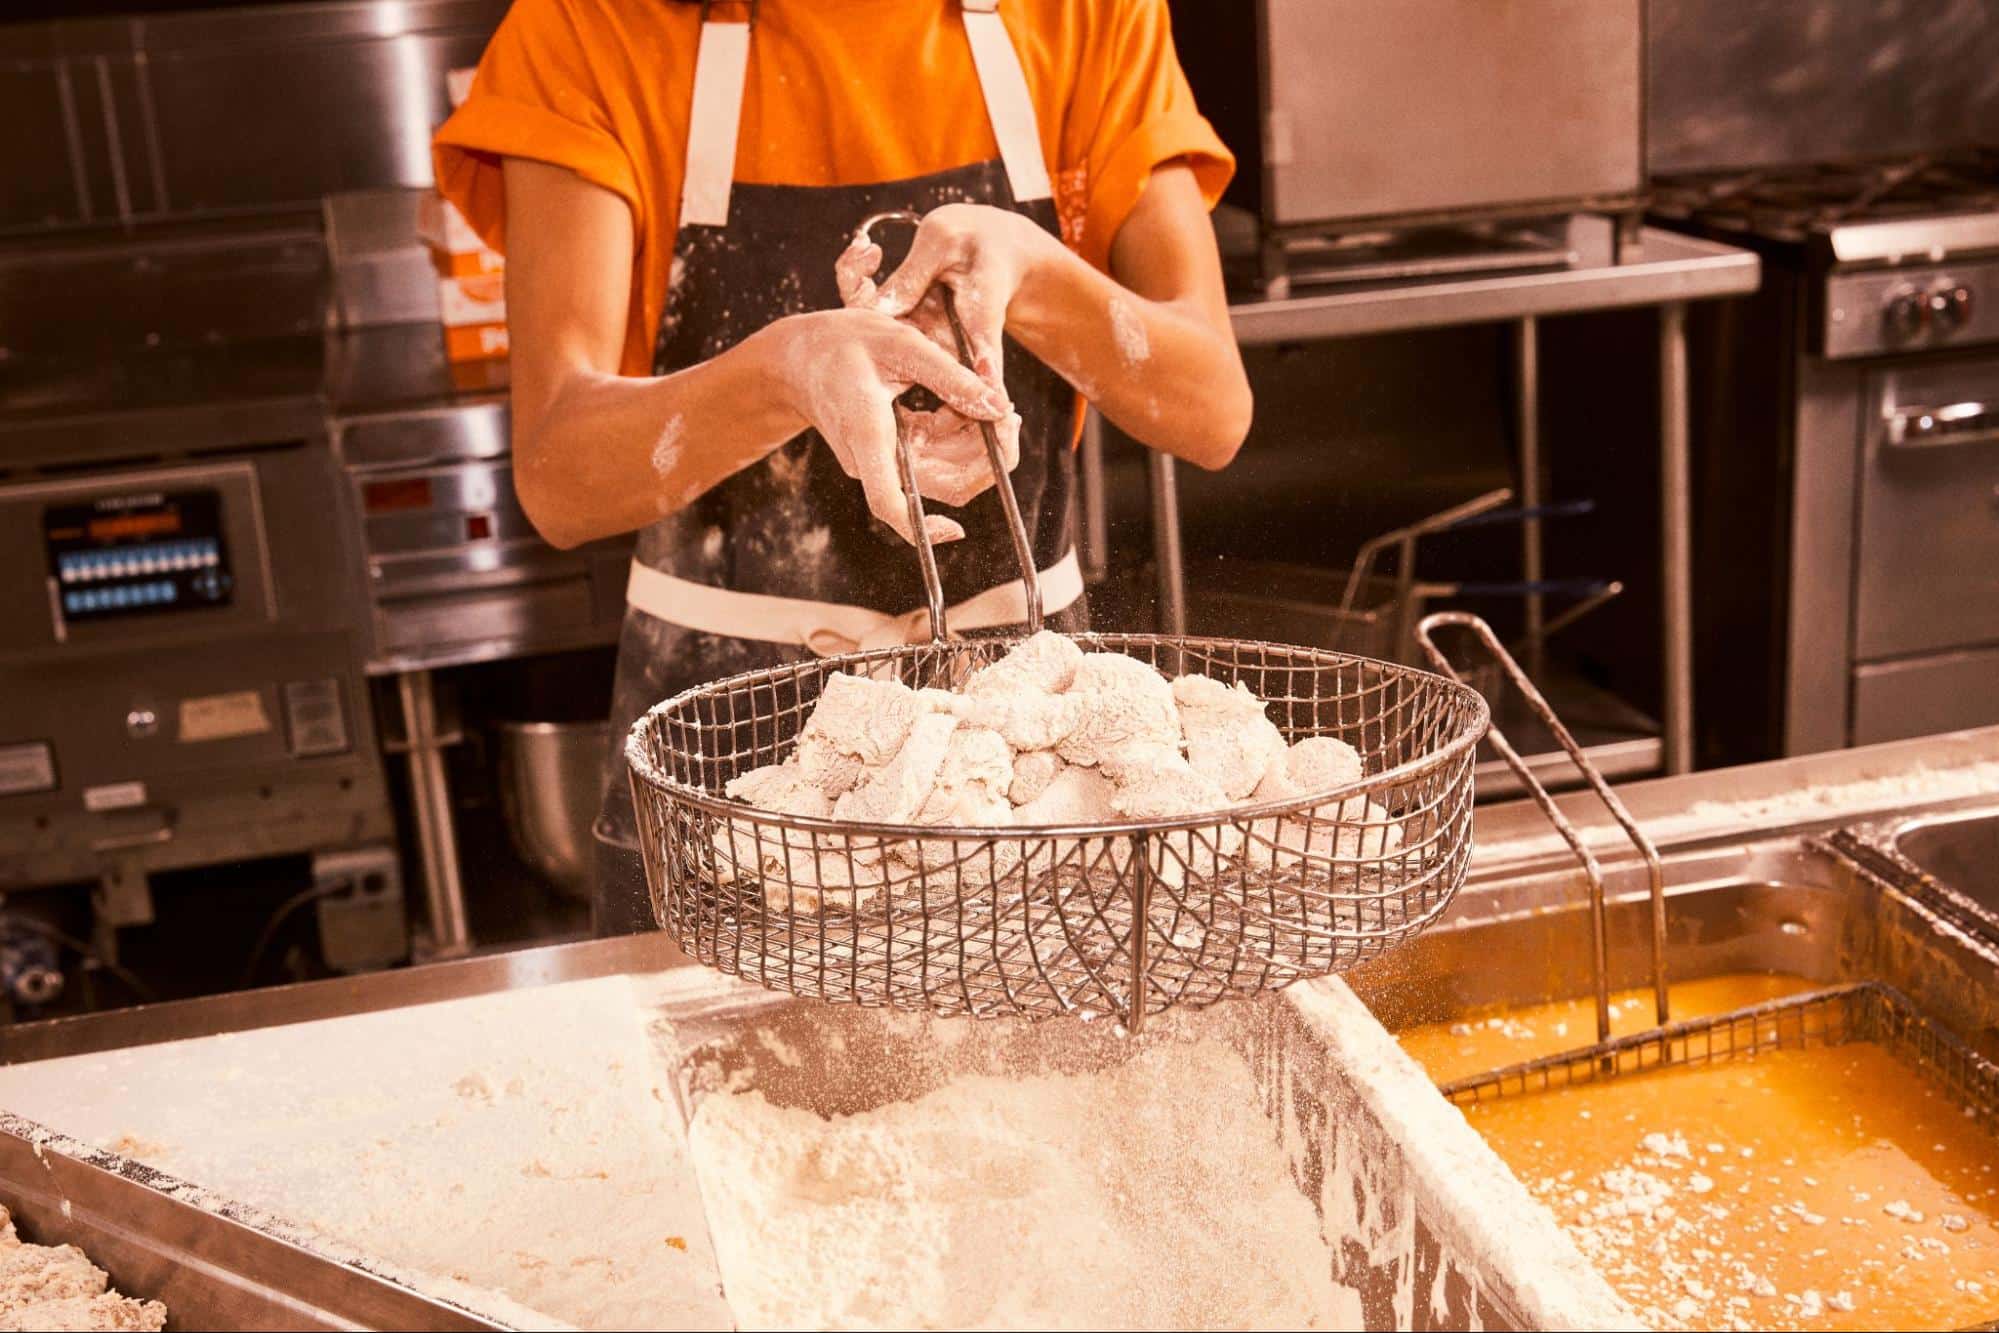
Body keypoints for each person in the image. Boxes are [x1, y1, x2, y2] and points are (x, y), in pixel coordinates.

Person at [433, 0, 1252, 935]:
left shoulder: (1084, 16)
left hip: (1035, 769)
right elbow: (559, 476)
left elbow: (1212, 411)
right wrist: (785, 375)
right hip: (726, 789)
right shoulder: (587, 30)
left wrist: (1034, 274)